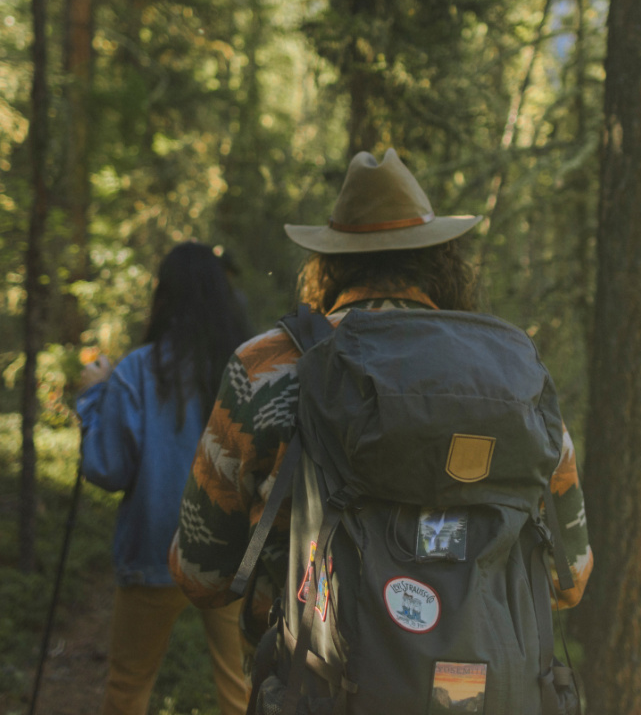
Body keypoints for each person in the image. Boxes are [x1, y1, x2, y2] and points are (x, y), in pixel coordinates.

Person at [169, 149, 593, 704]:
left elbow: (200, 573)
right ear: (441, 259)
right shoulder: (512, 375)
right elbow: (571, 576)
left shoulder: (267, 367)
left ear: (330, 262)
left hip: (320, 690)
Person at [76, 242, 253, 715]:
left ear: (165, 297)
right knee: (243, 691)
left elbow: (106, 469)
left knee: (128, 687)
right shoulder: (247, 372)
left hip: (153, 549)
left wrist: (94, 398)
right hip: (231, 554)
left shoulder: (136, 370)